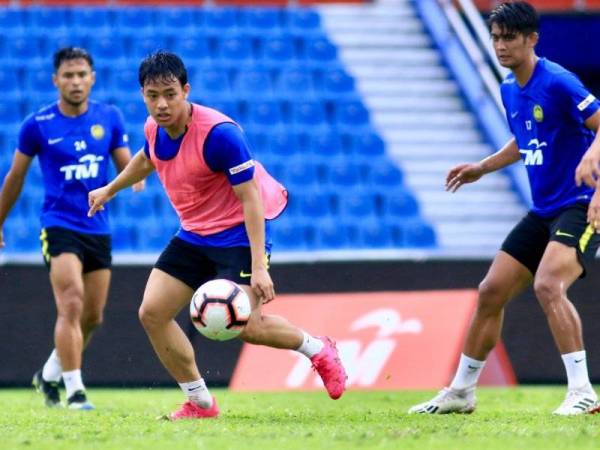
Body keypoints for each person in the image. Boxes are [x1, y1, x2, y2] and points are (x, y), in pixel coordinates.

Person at [87, 51, 347, 420]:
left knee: (248, 327)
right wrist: (110, 189)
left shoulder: (220, 135)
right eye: (151, 95)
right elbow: (148, 157)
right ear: (143, 95)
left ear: (186, 90)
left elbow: (251, 198)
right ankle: (200, 403)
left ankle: (318, 349)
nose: (161, 104)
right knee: (152, 313)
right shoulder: (152, 126)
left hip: (237, 236)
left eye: (170, 94)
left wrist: (259, 266)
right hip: (193, 235)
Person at [408, 1, 600, 416]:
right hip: (545, 207)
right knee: (490, 291)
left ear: (532, 39)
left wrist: (594, 162)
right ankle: (461, 392)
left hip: (584, 204)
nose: (499, 45)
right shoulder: (510, 88)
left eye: (508, 37)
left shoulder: (559, 82)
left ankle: (583, 393)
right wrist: (483, 166)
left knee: (548, 285)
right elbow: (526, 139)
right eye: (495, 37)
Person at [0, 47, 143, 410]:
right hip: (59, 224)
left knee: (92, 316)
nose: (76, 81)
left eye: (82, 74)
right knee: (72, 302)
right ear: (56, 80)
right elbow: (16, 177)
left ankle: (48, 374)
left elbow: (125, 163)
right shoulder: (37, 124)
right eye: (68, 75)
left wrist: (137, 178)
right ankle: (75, 391)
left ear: (92, 78)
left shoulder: (109, 117)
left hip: (97, 227)